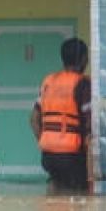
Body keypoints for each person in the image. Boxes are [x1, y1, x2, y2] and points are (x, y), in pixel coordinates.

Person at [30, 37, 91, 192]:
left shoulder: (48, 82)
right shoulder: (83, 84)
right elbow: (90, 124)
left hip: (49, 156)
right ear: (84, 59)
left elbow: (34, 119)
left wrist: (45, 140)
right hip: (72, 156)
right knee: (77, 199)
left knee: (55, 191)